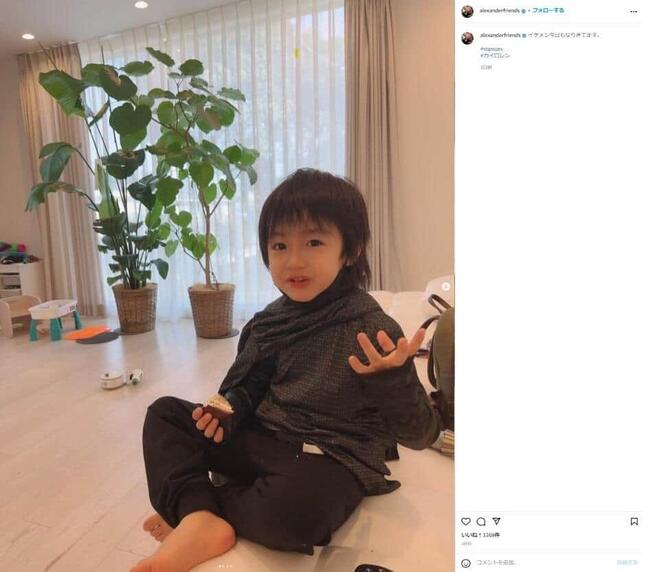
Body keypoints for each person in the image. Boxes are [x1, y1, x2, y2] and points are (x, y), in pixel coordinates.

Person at [132, 169, 446, 572]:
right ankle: (200, 517)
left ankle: (198, 510)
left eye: (314, 242)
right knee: (164, 415)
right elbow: (251, 386)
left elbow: (422, 435)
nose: (293, 261)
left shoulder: (373, 329)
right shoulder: (269, 322)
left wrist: (393, 380)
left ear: (350, 250)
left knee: (293, 514)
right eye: (279, 245)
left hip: (327, 460)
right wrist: (228, 410)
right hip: (264, 440)